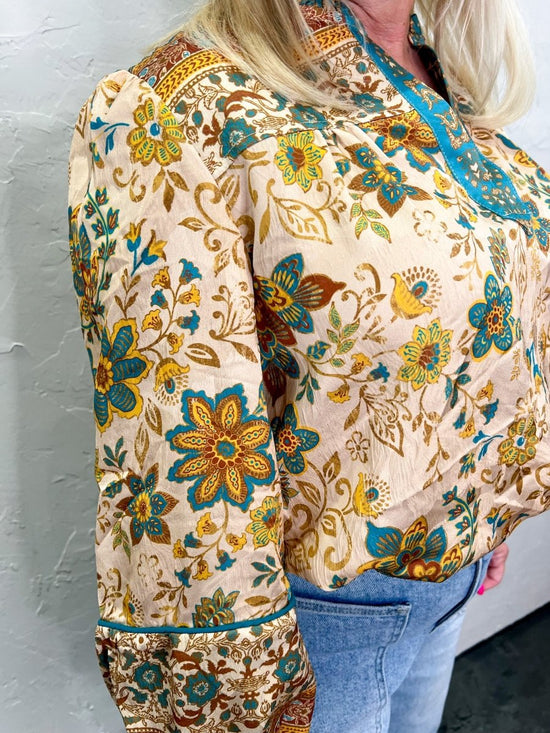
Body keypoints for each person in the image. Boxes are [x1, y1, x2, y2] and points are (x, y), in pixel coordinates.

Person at [67, 0, 550, 731]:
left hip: (452, 579)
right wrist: (239, 691)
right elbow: (180, 455)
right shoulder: (176, 111)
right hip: (323, 625)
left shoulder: (425, 61)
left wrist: (486, 501)